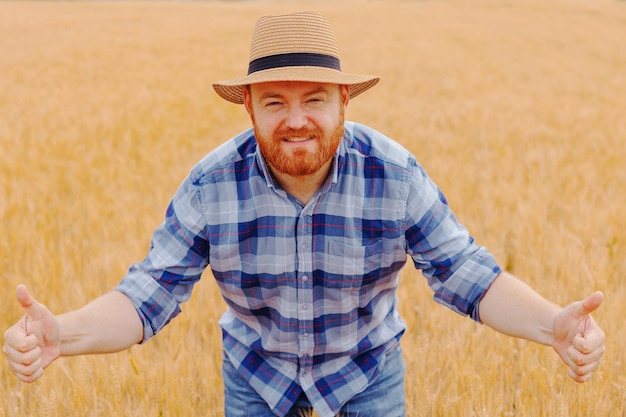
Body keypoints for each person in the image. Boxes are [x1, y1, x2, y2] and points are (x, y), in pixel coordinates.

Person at [3, 12, 605, 417]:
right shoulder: (211, 184)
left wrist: (552, 325)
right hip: (255, 377)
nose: (297, 120)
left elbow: (466, 273)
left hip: (366, 373)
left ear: (344, 99)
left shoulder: (393, 175)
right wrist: (68, 334)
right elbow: (148, 295)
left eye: (314, 99)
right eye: (275, 101)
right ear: (248, 108)